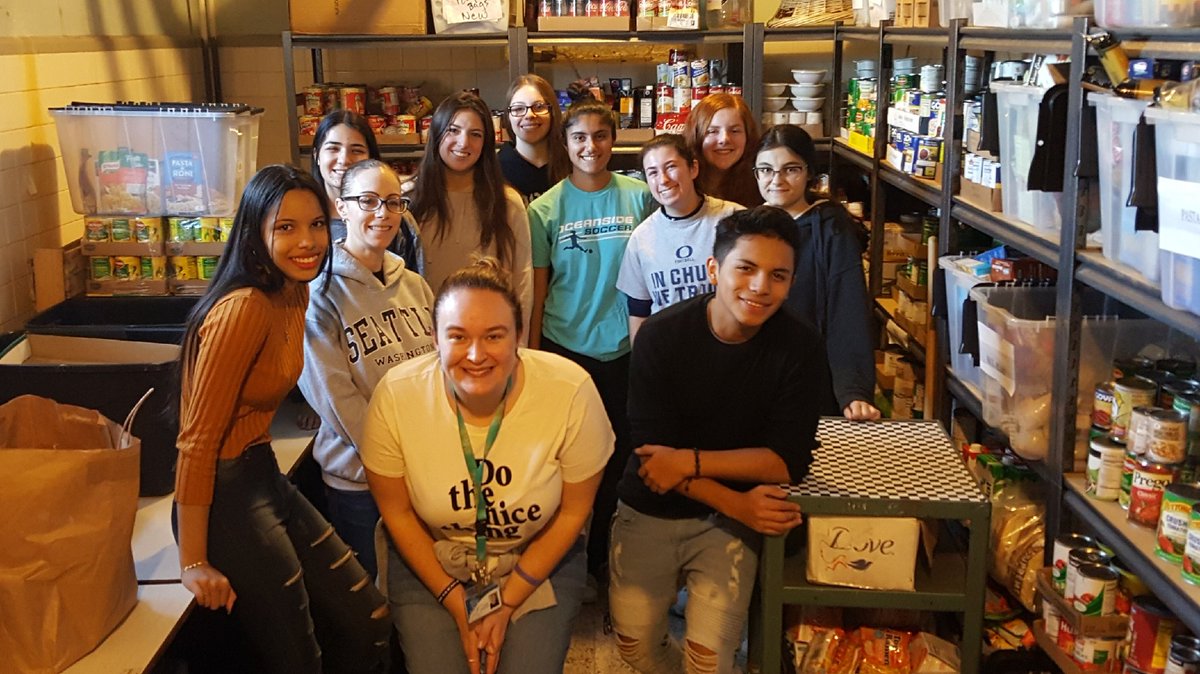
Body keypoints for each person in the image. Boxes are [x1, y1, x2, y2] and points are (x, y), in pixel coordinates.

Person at [173, 164, 389, 673]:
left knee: (368, 621)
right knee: (298, 657)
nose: (307, 241)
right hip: (224, 495)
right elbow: (196, 442)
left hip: (264, 475)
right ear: (255, 231)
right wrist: (193, 562)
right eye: (285, 228)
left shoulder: (295, 290)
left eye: (316, 224)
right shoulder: (243, 307)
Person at [361, 258, 613, 674]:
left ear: (518, 337)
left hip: (538, 554)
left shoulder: (570, 390)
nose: (476, 355)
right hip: (432, 557)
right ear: (435, 339)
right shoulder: (397, 395)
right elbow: (398, 513)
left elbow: (573, 512)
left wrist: (508, 599)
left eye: (494, 336)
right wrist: (459, 606)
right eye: (457, 336)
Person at [608, 206, 823, 674]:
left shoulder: (800, 345)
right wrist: (735, 501)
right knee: (634, 647)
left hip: (727, 525)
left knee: (710, 659)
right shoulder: (661, 336)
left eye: (778, 275)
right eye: (745, 268)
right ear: (714, 269)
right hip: (653, 506)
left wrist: (690, 461)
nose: (760, 287)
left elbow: (787, 462)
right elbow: (651, 459)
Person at [527, 100, 655, 582]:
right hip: (567, 348)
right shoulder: (545, 209)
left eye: (600, 136)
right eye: (579, 137)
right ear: (565, 143)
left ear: (614, 139)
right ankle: (562, 563)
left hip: (625, 348)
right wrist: (534, 353)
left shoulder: (639, 196)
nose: (590, 146)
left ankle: (605, 560)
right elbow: (538, 290)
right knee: (566, 460)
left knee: (620, 458)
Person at [298, 159, 437, 579]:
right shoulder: (318, 296)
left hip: (423, 473)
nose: (383, 213)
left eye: (393, 202)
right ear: (342, 208)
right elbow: (337, 399)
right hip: (360, 482)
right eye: (369, 201)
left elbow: (435, 374)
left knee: (422, 593)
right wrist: (393, 463)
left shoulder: (414, 284)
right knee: (375, 600)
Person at [755, 124, 880, 420]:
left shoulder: (830, 229)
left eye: (790, 169)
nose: (777, 180)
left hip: (809, 377)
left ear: (810, 172)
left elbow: (846, 309)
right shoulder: (748, 225)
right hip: (757, 375)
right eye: (765, 169)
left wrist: (853, 390)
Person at [408, 93, 532, 331]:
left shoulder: (507, 203)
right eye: (453, 130)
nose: (464, 143)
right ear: (435, 134)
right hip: (422, 338)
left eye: (475, 134)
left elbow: (523, 283)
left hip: (490, 336)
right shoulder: (409, 201)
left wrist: (518, 345)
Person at [616, 133, 744, 344]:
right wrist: (640, 366)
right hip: (667, 354)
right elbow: (639, 311)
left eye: (671, 167)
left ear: (693, 168)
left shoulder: (734, 219)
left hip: (729, 348)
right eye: (653, 173)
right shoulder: (642, 237)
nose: (663, 179)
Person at [310, 110, 423, 273]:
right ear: (317, 156)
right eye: (333, 149)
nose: (344, 159)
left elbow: (414, 284)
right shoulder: (304, 218)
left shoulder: (396, 217)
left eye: (356, 150)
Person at [498, 74, 570, 202]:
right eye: (519, 108)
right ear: (508, 116)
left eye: (539, 107)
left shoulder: (572, 164)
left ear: (553, 112)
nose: (529, 115)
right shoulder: (495, 169)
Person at [683, 93, 763, 209]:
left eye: (735, 131)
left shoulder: (761, 184)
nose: (724, 139)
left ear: (748, 136)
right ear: (696, 136)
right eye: (712, 131)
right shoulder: (681, 186)